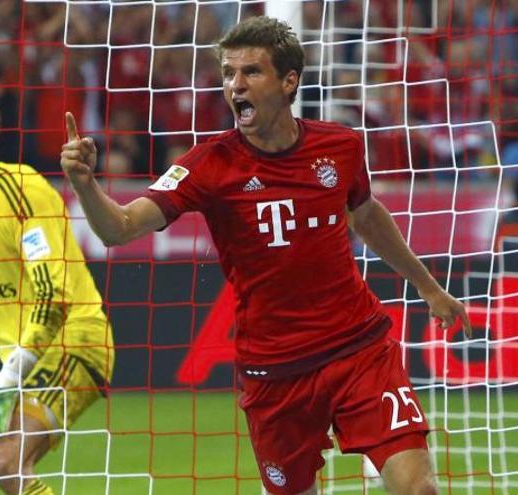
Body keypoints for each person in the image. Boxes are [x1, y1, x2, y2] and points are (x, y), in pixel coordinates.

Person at [60, 16, 470, 495]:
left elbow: (367, 214)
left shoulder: (339, 147)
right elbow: (118, 228)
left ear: (288, 80)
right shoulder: (207, 164)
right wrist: (85, 185)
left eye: (251, 72)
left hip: (359, 349)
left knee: (417, 488)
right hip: (275, 371)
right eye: (229, 73)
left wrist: (427, 286)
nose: (236, 85)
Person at [0, 89, 115, 495]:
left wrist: (10, 374)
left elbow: (52, 294)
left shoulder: (19, 187)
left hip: (74, 341)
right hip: (21, 367)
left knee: (5, 461)